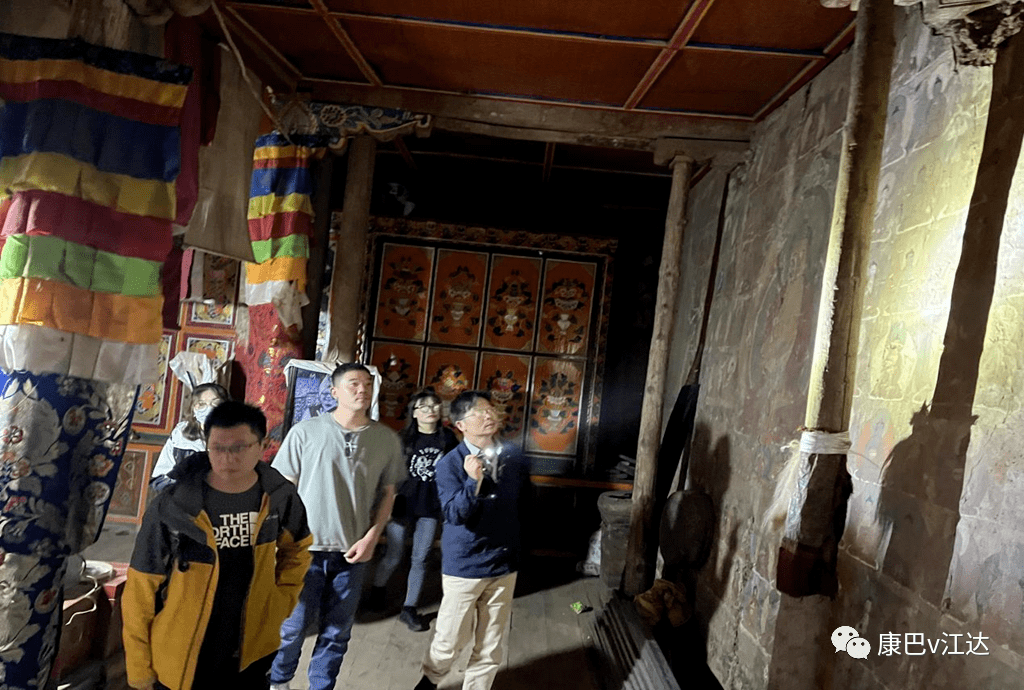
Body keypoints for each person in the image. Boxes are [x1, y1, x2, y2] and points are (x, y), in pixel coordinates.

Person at [123, 401, 312, 690]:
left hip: (249, 652)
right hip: (180, 653)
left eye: (239, 448)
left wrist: (281, 601)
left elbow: (298, 549)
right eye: (217, 448)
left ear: (263, 446)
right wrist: (138, 666)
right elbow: (140, 587)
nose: (227, 459)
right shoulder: (175, 505)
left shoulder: (278, 497)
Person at [269, 363, 406, 690]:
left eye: (368, 385)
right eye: (354, 384)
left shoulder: (385, 438)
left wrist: (373, 537)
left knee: (338, 630)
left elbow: (388, 494)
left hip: (352, 552)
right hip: (303, 550)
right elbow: (283, 489)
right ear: (334, 392)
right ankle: (279, 682)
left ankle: (322, 686)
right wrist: (281, 539)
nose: (362, 390)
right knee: (292, 627)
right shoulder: (305, 431)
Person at [415, 391, 531, 690]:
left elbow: (526, 505)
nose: (490, 416)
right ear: (460, 424)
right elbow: (454, 514)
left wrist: (518, 550)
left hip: (504, 563)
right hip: (464, 564)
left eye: (491, 410)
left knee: (491, 643)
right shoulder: (449, 465)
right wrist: (472, 480)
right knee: (450, 638)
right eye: (480, 412)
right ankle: (430, 681)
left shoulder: (514, 457)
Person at [368, 388, 459, 631]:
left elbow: (455, 471)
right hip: (402, 504)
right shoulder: (402, 438)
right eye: (424, 406)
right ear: (414, 412)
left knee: (421, 557)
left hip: (430, 506)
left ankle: (409, 608)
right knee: (394, 554)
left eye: (434, 406)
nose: (430, 410)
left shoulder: (448, 439)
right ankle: (377, 591)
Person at [149, 383, 230, 492]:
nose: (208, 409)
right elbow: (159, 479)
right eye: (201, 404)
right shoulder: (180, 436)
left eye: (215, 403)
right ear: (193, 409)